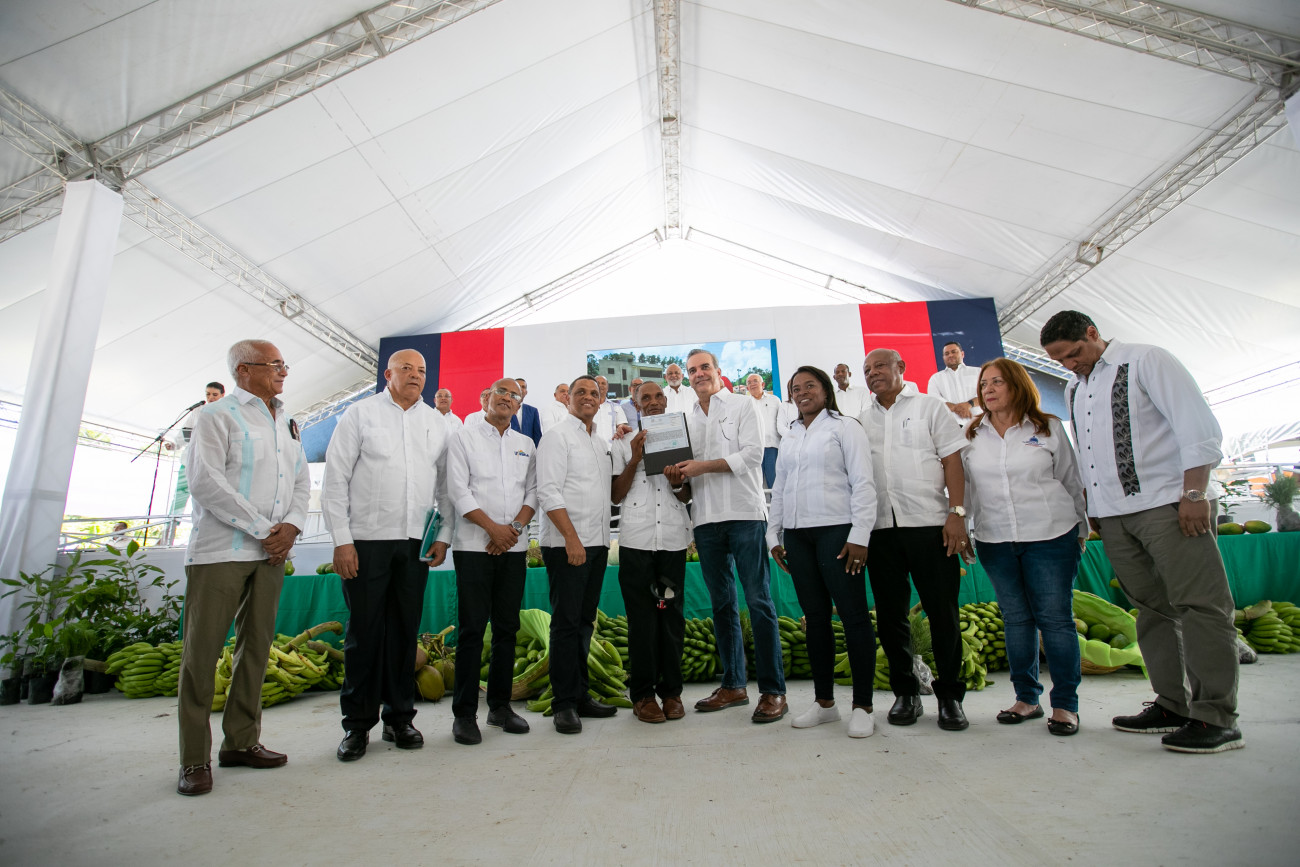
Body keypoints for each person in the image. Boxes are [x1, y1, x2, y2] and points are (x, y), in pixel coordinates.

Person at [1041, 310, 1242, 753]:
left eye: (1074, 353)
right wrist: (1095, 507)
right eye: (1060, 361)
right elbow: (1089, 454)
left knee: (1200, 606)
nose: (1070, 365)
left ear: (1093, 333)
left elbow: (1198, 427)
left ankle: (1216, 717)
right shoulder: (1076, 387)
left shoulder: (1147, 360)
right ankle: (1172, 704)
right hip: (1114, 516)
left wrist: (1194, 494)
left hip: (1167, 504)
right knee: (1151, 610)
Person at [176, 340, 308, 796]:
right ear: (244, 370)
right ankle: (194, 759)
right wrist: (264, 529)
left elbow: (300, 480)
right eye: (275, 365)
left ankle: (241, 742)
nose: (283, 372)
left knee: (256, 649)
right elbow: (205, 482)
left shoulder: (286, 422)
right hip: (222, 552)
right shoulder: (215, 416)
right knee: (201, 655)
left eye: (284, 365)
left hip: (270, 554)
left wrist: (291, 526)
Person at [322, 349, 453, 762]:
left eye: (422, 371)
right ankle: (357, 725)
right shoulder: (360, 414)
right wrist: (341, 540)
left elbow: (445, 486)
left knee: (403, 633)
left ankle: (399, 718)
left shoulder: (436, 422)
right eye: (407, 369)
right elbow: (335, 479)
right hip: (366, 541)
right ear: (388, 374)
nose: (416, 376)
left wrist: (444, 535)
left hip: (416, 544)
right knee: (364, 634)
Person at [961, 358, 1087, 735]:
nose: (988, 389)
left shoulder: (1048, 427)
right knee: (1016, 620)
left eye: (997, 382)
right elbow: (966, 489)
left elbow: (1071, 479)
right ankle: (1027, 698)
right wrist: (964, 528)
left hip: (1051, 535)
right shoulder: (971, 434)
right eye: (984, 384)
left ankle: (1065, 705)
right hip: (995, 539)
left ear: (1017, 385)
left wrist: (1082, 528)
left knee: (1055, 620)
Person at [859, 348, 971, 731]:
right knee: (891, 618)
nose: (873, 373)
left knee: (943, 614)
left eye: (880, 366)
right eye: (867, 369)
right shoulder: (861, 420)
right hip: (880, 531)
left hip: (930, 525)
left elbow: (953, 460)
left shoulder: (930, 407)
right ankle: (905, 693)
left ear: (901, 368)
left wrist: (957, 514)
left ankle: (950, 697)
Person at [677, 349, 787, 722]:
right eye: (692, 370)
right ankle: (734, 685)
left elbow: (753, 455)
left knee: (758, 601)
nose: (698, 374)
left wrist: (701, 467)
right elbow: (682, 469)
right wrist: (677, 475)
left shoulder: (743, 405)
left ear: (718, 370)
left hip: (744, 514)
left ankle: (773, 691)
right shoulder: (687, 419)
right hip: (706, 519)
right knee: (722, 604)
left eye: (704, 367)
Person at [767, 366, 878, 738]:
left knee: (853, 617)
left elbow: (863, 482)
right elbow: (780, 487)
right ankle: (825, 703)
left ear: (826, 390)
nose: (802, 392)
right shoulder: (790, 434)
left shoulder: (846, 427)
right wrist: (773, 534)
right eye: (795, 388)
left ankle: (863, 706)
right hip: (798, 536)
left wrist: (860, 534)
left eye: (809, 386)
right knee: (815, 619)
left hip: (837, 531)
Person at [446, 378, 537, 744]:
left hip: (513, 546)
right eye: (502, 392)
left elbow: (533, 492)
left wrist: (512, 530)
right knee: (471, 631)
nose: (507, 398)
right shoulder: (463, 437)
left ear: (519, 405)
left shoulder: (525, 444)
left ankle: (500, 707)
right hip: (473, 547)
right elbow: (458, 490)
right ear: (487, 397)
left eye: (514, 395)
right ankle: (464, 714)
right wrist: (492, 530)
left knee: (507, 629)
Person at [535, 375, 619, 734]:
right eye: (580, 392)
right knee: (566, 624)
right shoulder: (557, 437)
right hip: (567, 545)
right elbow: (548, 491)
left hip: (597, 543)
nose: (588, 397)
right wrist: (571, 538)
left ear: (601, 401)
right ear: (567, 399)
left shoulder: (600, 442)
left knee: (585, 622)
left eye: (594, 393)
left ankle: (580, 695)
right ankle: (564, 704)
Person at [611, 381, 692, 723]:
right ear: (636, 404)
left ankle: (671, 693)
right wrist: (635, 458)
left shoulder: (682, 437)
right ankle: (643, 695)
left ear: (667, 401)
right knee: (642, 620)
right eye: (646, 397)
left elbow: (687, 495)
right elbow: (616, 495)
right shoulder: (622, 441)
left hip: (672, 539)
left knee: (670, 617)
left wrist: (677, 482)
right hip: (637, 541)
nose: (654, 401)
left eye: (659, 396)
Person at [744, 373, 782, 489]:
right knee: (755, 484)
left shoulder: (775, 400)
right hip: (753, 449)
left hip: (772, 446)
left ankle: (776, 502)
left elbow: (781, 421)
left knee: (774, 482)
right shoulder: (745, 404)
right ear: (747, 388)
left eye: (755, 381)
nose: (752, 384)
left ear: (763, 384)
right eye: (749, 383)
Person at [927, 342, 980, 424]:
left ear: (962, 354)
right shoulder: (935, 378)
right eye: (946, 354)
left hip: (979, 423)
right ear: (943, 358)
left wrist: (969, 405)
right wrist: (956, 408)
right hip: (950, 425)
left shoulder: (978, 372)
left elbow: (986, 394)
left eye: (954, 352)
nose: (950, 355)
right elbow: (934, 400)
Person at [593, 375, 629, 441]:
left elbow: (622, 425)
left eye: (603, 383)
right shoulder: (586, 407)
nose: (600, 385)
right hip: (591, 445)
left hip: (612, 445)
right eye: (597, 383)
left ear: (607, 388)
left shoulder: (617, 407)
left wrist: (620, 428)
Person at [509, 377, 543, 446]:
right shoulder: (504, 408)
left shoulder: (533, 411)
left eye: (523, 387)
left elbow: (537, 436)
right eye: (518, 386)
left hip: (527, 449)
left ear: (526, 392)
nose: (520, 389)